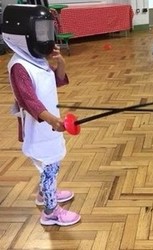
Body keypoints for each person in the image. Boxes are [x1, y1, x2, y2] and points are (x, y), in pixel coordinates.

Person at [2, 4, 80, 226]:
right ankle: (50, 211)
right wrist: (53, 120)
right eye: (40, 31)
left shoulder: (36, 60)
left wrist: (60, 63)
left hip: (49, 123)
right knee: (50, 165)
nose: (45, 37)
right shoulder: (19, 66)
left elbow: (54, 81)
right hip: (39, 127)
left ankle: (44, 193)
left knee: (51, 164)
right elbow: (29, 101)